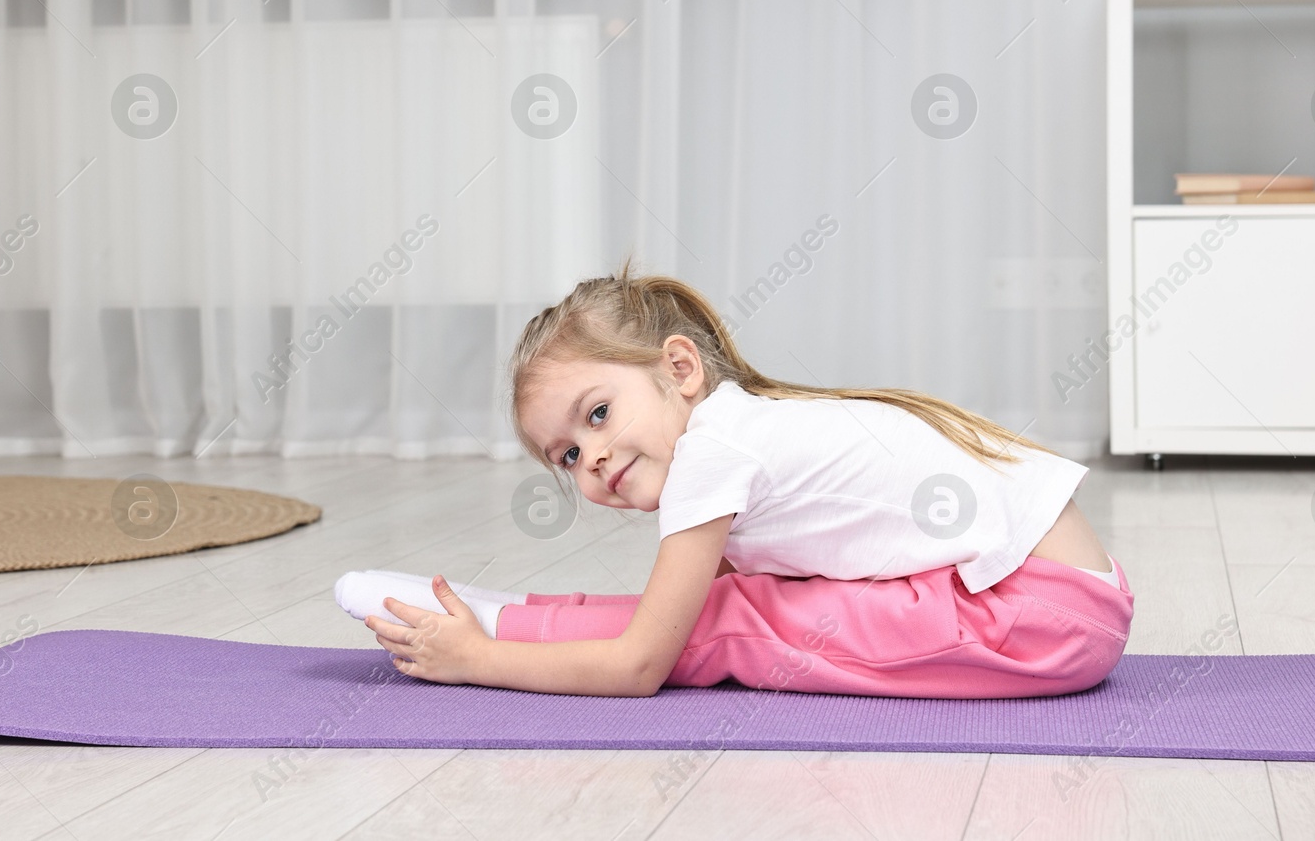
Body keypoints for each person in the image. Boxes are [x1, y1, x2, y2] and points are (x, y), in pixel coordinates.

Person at [334, 260, 1132, 698]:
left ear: (679, 368)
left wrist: (480, 661)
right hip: (1061, 598)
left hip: (1039, 615)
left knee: (736, 625)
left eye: (599, 413)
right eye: (567, 456)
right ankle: (519, 615)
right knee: (720, 610)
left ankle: (499, 627)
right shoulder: (737, 426)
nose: (593, 457)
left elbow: (641, 666)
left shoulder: (716, 448)